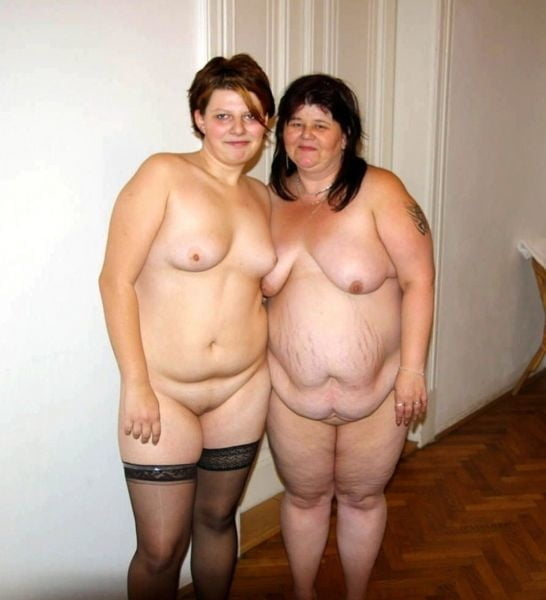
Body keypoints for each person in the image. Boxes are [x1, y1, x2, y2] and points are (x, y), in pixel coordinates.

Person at [98, 54, 275, 600]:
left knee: (218, 520)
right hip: (165, 392)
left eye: (250, 116)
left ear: (266, 122)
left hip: (242, 389)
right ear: (199, 118)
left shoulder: (263, 197)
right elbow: (115, 281)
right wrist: (136, 383)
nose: (238, 129)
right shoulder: (164, 175)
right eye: (223, 115)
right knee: (160, 548)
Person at [261, 74, 435, 600]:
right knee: (303, 498)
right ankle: (304, 593)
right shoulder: (266, 200)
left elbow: (419, 279)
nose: (306, 135)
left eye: (321, 124)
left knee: (362, 498)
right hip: (289, 396)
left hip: (376, 396)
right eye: (295, 123)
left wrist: (412, 370)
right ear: (281, 132)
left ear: (346, 135)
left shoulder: (381, 190)